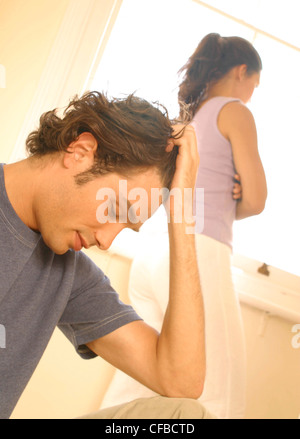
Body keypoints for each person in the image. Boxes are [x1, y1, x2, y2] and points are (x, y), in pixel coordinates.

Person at [0, 91, 214, 419]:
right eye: (114, 208)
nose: (106, 240)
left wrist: (182, 215)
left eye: (126, 226)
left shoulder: (69, 273)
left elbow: (181, 381)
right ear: (81, 151)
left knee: (182, 418)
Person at [101, 33, 268, 419]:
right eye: (254, 85)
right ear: (242, 71)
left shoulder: (188, 117)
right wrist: (236, 198)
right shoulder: (234, 111)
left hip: (154, 252)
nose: (251, 95)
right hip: (198, 253)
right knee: (219, 393)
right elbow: (256, 200)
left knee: (138, 383)